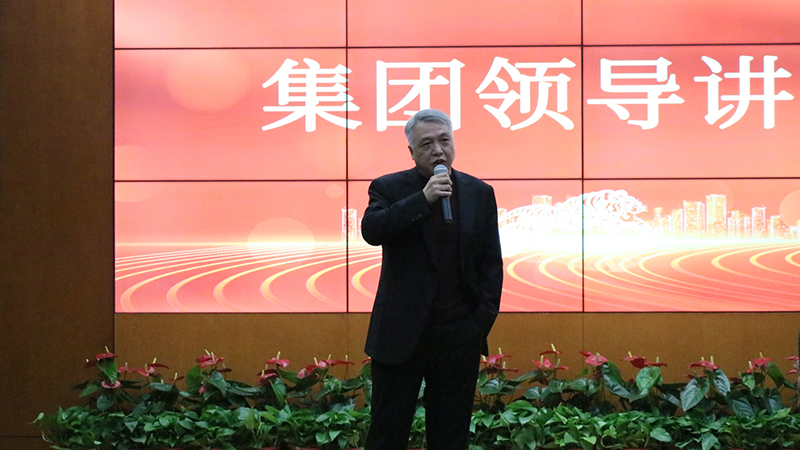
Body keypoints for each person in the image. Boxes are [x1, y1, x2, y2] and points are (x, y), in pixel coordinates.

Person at [361, 109, 504, 450]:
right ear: (411, 151)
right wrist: (423, 199)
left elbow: (490, 264)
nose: (438, 150)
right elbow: (372, 230)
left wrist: (478, 325)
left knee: (450, 436)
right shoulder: (389, 188)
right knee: (387, 433)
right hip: (400, 334)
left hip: (458, 335)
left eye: (444, 141)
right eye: (427, 144)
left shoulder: (478, 192)